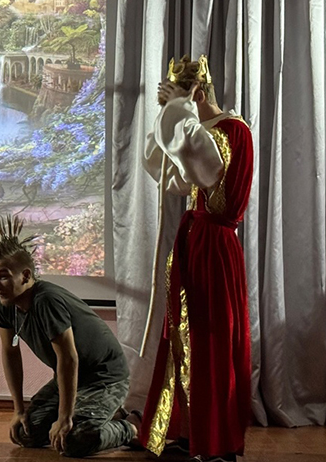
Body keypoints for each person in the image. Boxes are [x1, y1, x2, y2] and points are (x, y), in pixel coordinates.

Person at [138, 55, 254, 462]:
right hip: (197, 242)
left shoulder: (231, 130)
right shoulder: (207, 133)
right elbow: (174, 174)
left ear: (198, 94)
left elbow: (197, 158)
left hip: (214, 248)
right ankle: (191, 431)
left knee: (210, 336)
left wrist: (176, 108)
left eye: (185, 98)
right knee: (186, 337)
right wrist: (169, 112)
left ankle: (215, 439)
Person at [0, 215, 135, 457]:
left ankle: (129, 427)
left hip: (104, 377)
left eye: (3, 276)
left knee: (74, 440)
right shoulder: (4, 304)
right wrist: (18, 410)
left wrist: (64, 418)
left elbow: (68, 359)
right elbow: (10, 352)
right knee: (26, 432)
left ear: (25, 276)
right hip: (69, 378)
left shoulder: (47, 300)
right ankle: (97, 413)